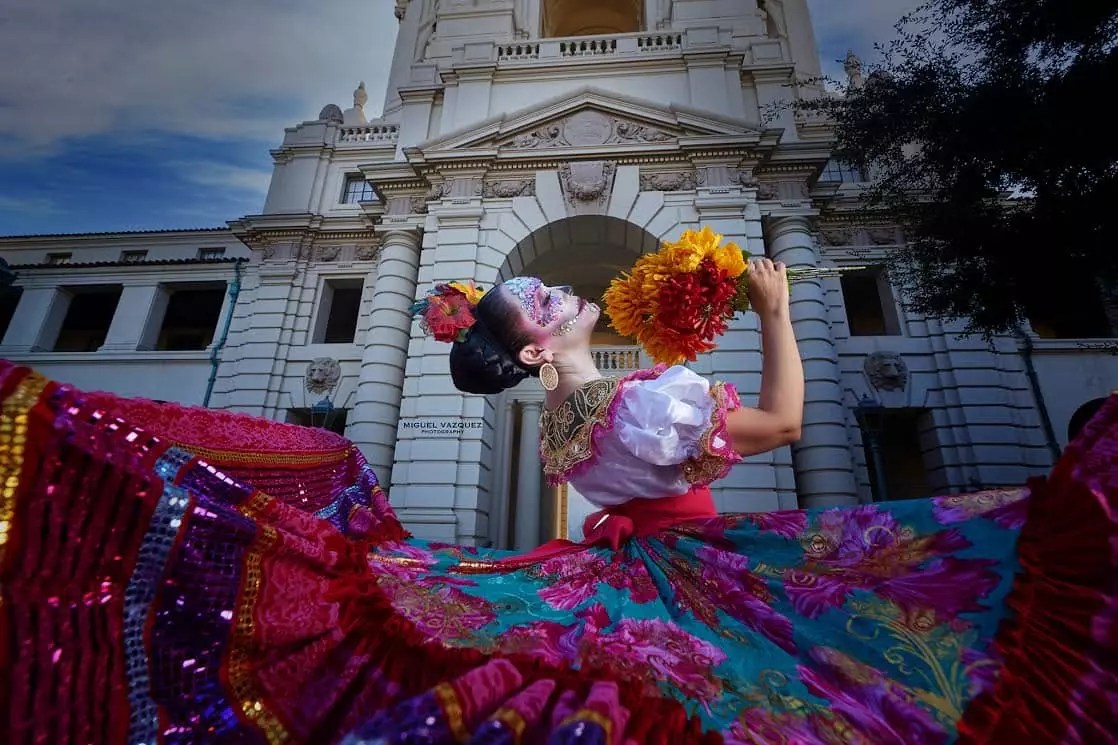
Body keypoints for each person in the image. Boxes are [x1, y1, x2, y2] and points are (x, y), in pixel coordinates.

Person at [1, 262, 1115, 744]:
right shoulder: (644, 400)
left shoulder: (573, 426)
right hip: (711, 574)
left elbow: (666, 446)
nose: (552, 293)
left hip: (625, 572)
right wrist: (775, 312)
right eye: (539, 297)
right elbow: (779, 426)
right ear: (538, 341)